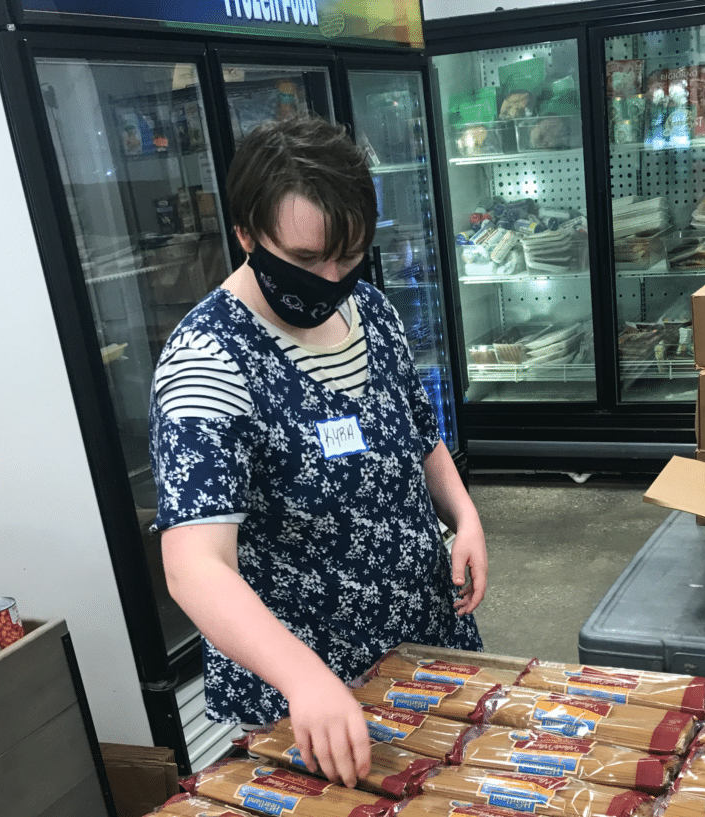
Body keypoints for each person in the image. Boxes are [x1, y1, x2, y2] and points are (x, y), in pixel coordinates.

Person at [148, 114, 486, 788]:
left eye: (348, 255)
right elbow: (194, 565)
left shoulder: (372, 312)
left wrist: (464, 514)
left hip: (424, 643)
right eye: (305, 260)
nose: (331, 277)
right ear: (246, 233)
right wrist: (306, 677)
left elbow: (417, 433)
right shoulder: (209, 363)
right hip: (308, 694)